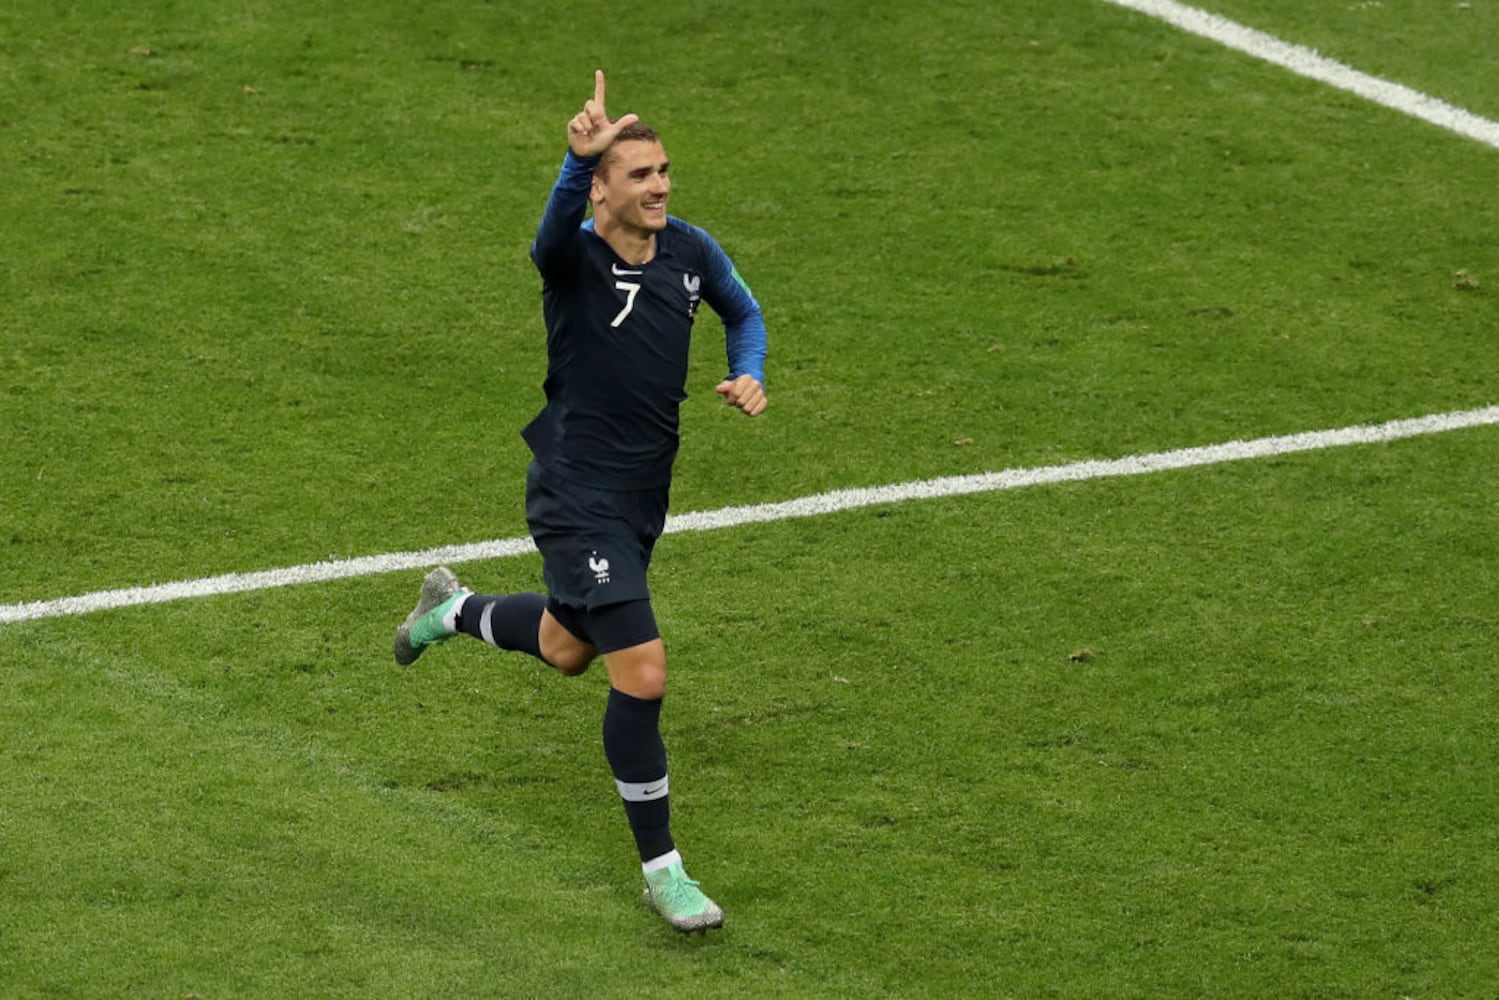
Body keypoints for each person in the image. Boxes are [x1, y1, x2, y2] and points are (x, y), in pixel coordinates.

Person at [392, 70, 767, 933]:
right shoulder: (574, 258)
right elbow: (545, 239)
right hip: (574, 488)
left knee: (567, 647)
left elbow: (743, 312)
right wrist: (572, 162)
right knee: (643, 670)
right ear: (603, 188)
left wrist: (749, 371)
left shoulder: (691, 252)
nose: (661, 185)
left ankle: (449, 611)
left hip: (642, 494)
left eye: (664, 170)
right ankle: (664, 872)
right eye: (639, 175)